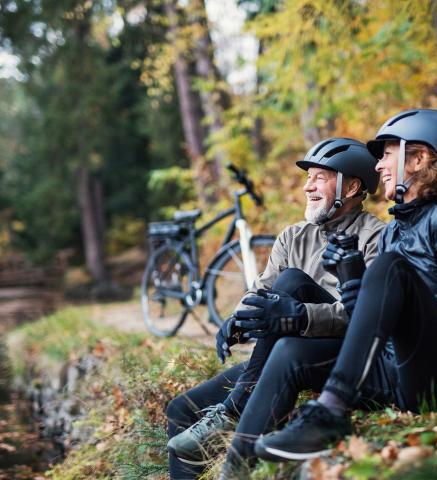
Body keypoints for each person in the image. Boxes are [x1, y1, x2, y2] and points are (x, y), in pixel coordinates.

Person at [251, 109, 437, 463]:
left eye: (387, 154)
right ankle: (235, 464)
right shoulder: (394, 231)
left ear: (419, 158)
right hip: (402, 372)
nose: (378, 166)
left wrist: (403, 293)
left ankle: (331, 412)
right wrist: (356, 286)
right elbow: (374, 329)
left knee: (391, 268)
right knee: (290, 353)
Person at [165, 138, 385, 479]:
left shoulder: (376, 237)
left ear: (353, 185)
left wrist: (299, 316)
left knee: (294, 282)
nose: (307, 186)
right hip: (282, 351)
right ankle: (228, 411)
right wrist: (239, 320)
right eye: (307, 177)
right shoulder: (292, 236)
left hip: (335, 353)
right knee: (180, 409)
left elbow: (367, 314)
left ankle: (233, 409)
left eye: (319, 177)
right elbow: (261, 290)